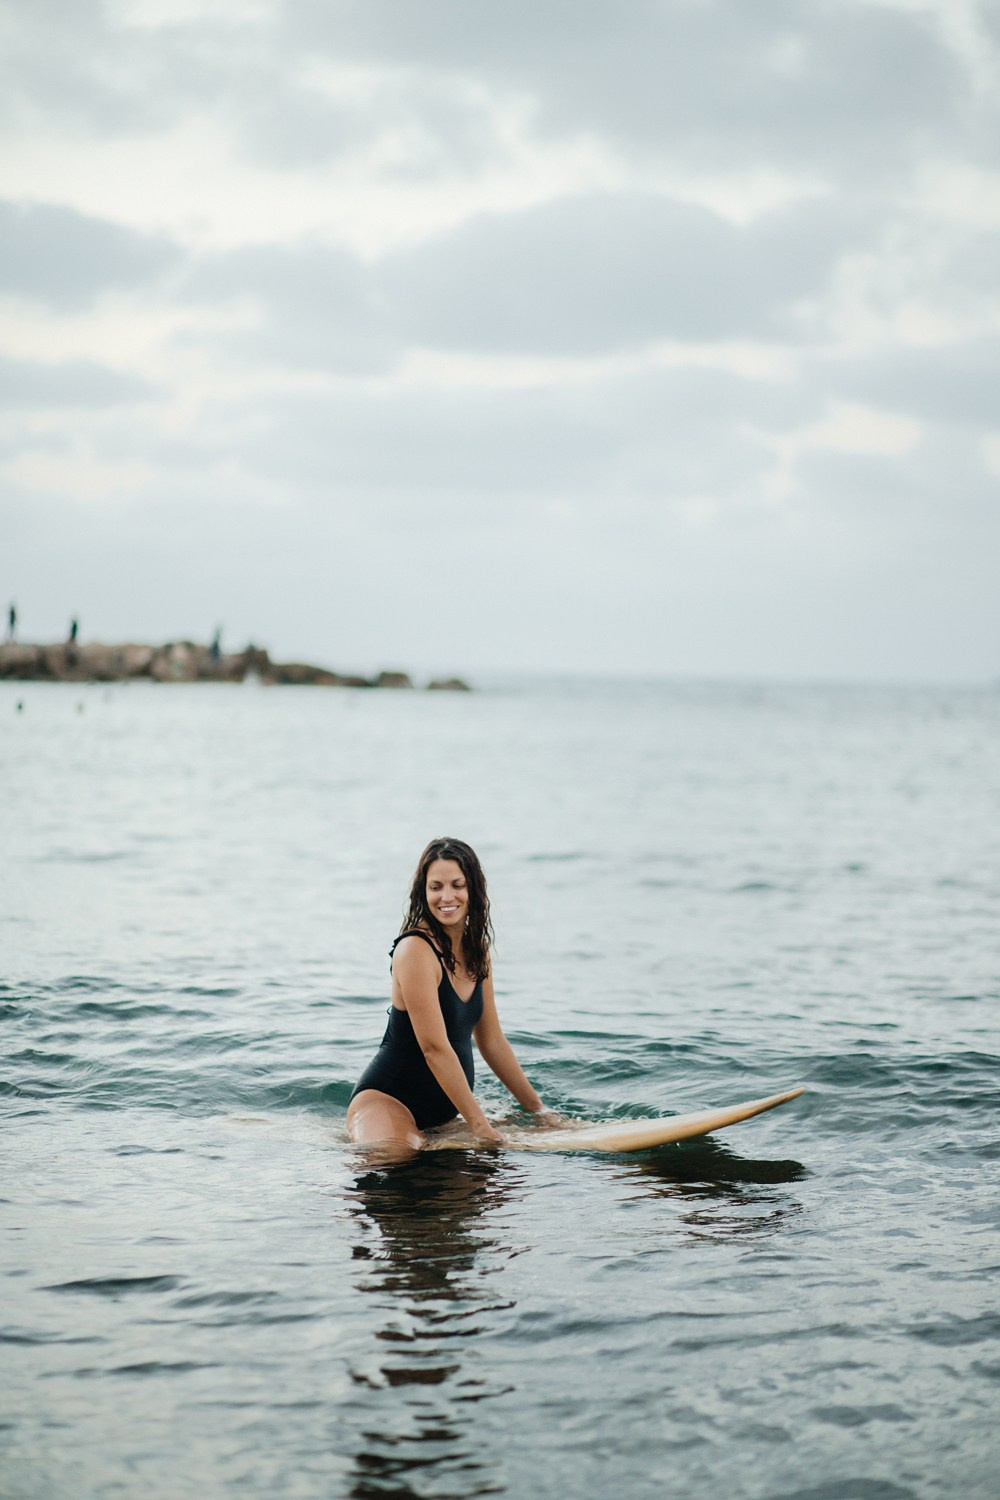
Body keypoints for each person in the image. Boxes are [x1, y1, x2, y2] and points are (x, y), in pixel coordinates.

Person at [348, 837, 560, 1154]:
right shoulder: (415, 951)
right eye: (436, 887)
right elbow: (434, 1048)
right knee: (395, 1158)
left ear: (473, 889)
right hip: (388, 1102)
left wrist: (539, 1111)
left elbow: (492, 1040)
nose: (447, 896)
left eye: (457, 885)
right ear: (424, 892)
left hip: (442, 1119)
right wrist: (480, 1127)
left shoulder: (478, 952)